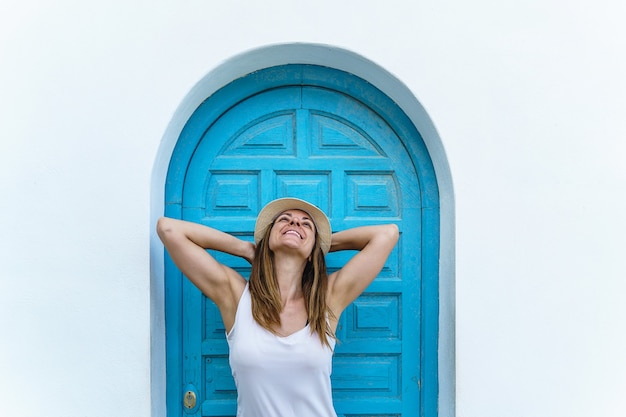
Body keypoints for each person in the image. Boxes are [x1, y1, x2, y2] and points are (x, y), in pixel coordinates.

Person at [157, 197, 399, 417]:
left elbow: (387, 234)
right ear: (268, 239)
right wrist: (246, 249)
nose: (294, 222)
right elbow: (169, 229)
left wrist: (320, 244)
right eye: (284, 220)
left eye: (306, 224)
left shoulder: (327, 299)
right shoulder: (236, 296)